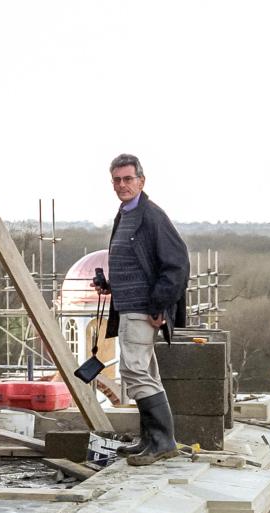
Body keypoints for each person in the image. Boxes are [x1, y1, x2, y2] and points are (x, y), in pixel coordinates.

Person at [92, 153, 190, 466]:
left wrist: (160, 303)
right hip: (127, 305)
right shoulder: (127, 214)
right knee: (145, 372)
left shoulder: (151, 216)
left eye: (128, 179)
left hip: (142, 309)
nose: (122, 185)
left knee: (134, 371)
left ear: (141, 181)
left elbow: (177, 264)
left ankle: (162, 441)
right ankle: (150, 439)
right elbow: (137, 263)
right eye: (117, 180)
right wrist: (110, 284)